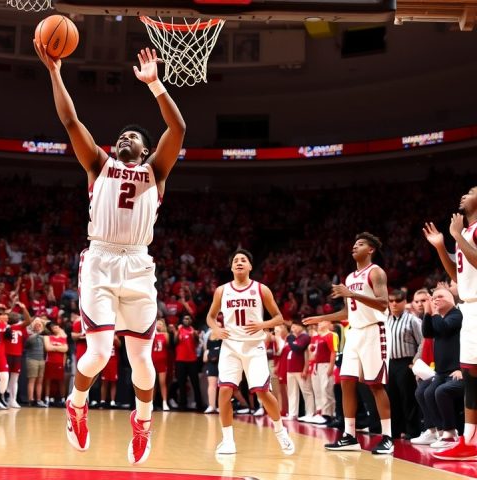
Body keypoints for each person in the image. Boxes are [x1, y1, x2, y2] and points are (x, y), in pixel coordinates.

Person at [35, 39, 186, 465]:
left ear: (145, 150)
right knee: (100, 353)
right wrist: (55, 72)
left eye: (132, 136)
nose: (124, 138)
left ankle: (143, 422)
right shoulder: (98, 164)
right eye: (121, 135)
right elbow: (70, 120)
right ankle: (76, 405)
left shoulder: (156, 171)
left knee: (142, 361)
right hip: (100, 260)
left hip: (138, 263)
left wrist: (155, 85)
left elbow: (177, 130)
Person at [304, 232, 393, 455]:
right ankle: (350, 436)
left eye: (360, 244)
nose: (354, 247)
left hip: (374, 330)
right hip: (354, 332)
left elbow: (383, 303)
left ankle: (388, 437)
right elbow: (347, 312)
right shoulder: (351, 277)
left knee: (375, 385)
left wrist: (351, 293)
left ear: (370, 250)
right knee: (346, 381)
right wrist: (321, 318)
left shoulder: (376, 272)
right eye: (354, 244)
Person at [206, 248, 294, 456]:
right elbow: (210, 317)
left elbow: (279, 318)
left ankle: (280, 431)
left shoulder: (261, 289)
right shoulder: (221, 291)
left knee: (263, 392)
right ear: (231, 267)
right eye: (235, 260)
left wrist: (262, 325)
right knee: (225, 391)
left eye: (243, 260)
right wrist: (216, 329)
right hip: (230, 346)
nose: (239, 262)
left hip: (254, 346)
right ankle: (228, 441)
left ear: (250, 266)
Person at [424, 189, 477, 460]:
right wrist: (440, 247)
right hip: (469, 306)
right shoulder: (465, 233)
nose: (465, 195)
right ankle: (470, 440)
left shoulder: (470, 232)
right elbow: (457, 274)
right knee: (471, 375)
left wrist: (457, 236)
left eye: (472, 191)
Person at [411, 288, 464, 449]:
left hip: (456, 371)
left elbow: (443, 329)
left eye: (440, 296)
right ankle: (435, 430)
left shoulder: (456, 315)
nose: (435, 300)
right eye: (433, 298)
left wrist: (433, 312)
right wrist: (428, 313)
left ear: (451, 299)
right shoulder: (439, 318)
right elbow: (427, 333)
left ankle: (450, 432)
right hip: (441, 372)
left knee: (440, 392)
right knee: (422, 391)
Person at [385, 289, 423, 440]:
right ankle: (395, 430)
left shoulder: (412, 320)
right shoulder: (386, 320)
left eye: (398, 301)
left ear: (405, 302)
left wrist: (415, 361)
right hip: (391, 363)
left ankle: (413, 431)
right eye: (391, 301)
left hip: (406, 362)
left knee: (408, 398)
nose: (394, 304)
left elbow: (422, 342)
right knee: (392, 398)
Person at [4, 301, 33, 408]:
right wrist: (9, 311)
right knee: (4, 378)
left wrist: (24, 308)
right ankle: (2, 398)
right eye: (14, 315)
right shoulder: (5, 326)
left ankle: (12, 399)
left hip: (17, 355)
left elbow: (29, 320)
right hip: (6, 355)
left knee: (14, 379)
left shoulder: (20, 327)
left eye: (16, 315)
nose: (16, 316)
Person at [151, 319, 171, 411]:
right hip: (152, 361)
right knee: (152, 383)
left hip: (162, 362)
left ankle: (164, 402)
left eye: (160, 324)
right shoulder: (152, 335)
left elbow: (167, 343)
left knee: (162, 382)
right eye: (157, 323)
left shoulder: (165, 335)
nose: (159, 325)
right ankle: (151, 403)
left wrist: (158, 333)